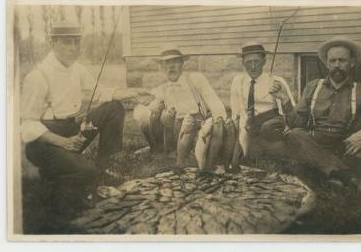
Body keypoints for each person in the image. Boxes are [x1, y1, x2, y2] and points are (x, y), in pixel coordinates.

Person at [21, 21, 151, 213]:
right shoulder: (37, 76)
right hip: (45, 143)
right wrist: (63, 143)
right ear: (53, 43)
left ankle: (103, 167)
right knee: (85, 173)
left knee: (113, 108)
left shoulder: (77, 69)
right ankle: (56, 185)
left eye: (76, 42)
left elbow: (102, 92)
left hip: (72, 132)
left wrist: (134, 92)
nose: (73, 48)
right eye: (67, 42)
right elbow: (28, 125)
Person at [270, 36, 361, 193]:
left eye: (342, 60)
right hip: (315, 141)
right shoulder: (313, 87)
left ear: (352, 63)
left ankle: (330, 174)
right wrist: (285, 100)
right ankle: (347, 176)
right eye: (332, 61)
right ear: (326, 63)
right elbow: (296, 122)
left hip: (346, 144)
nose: (337, 65)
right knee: (295, 134)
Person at [134, 45, 227, 168]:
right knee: (143, 114)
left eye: (175, 62)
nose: (171, 66)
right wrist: (151, 107)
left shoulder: (195, 79)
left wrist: (220, 122)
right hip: (174, 130)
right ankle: (157, 149)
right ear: (162, 67)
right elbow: (144, 108)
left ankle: (191, 152)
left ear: (182, 64)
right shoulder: (163, 88)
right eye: (167, 63)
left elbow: (214, 102)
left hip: (197, 127)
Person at [230, 42, 295, 158]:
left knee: (267, 128)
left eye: (257, 62)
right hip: (249, 122)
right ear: (243, 63)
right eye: (249, 62)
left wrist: (281, 95)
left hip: (271, 122)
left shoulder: (276, 81)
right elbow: (235, 109)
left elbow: (290, 112)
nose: (253, 66)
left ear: (264, 62)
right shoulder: (238, 81)